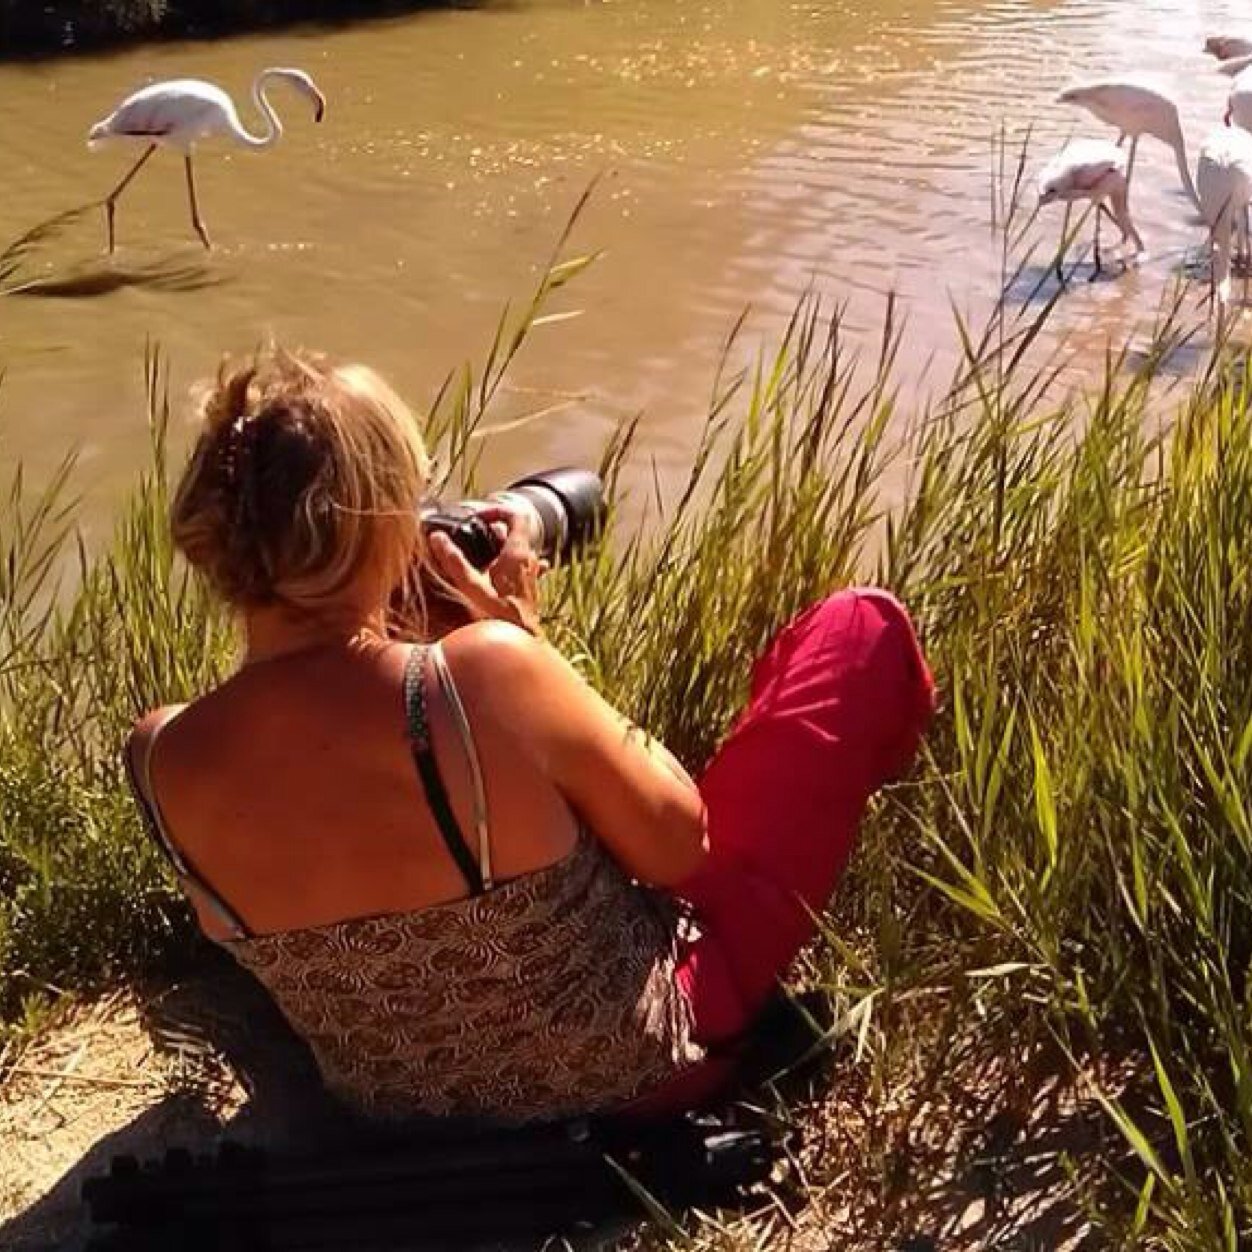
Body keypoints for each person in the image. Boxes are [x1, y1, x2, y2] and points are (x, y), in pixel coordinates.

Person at [126, 346, 935, 1126]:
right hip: (643, 1073)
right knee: (861, 626)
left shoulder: (161, 755)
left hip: (396, 1115)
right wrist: (528, 647)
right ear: (381, 529)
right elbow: (683, 849)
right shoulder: (480, 676)